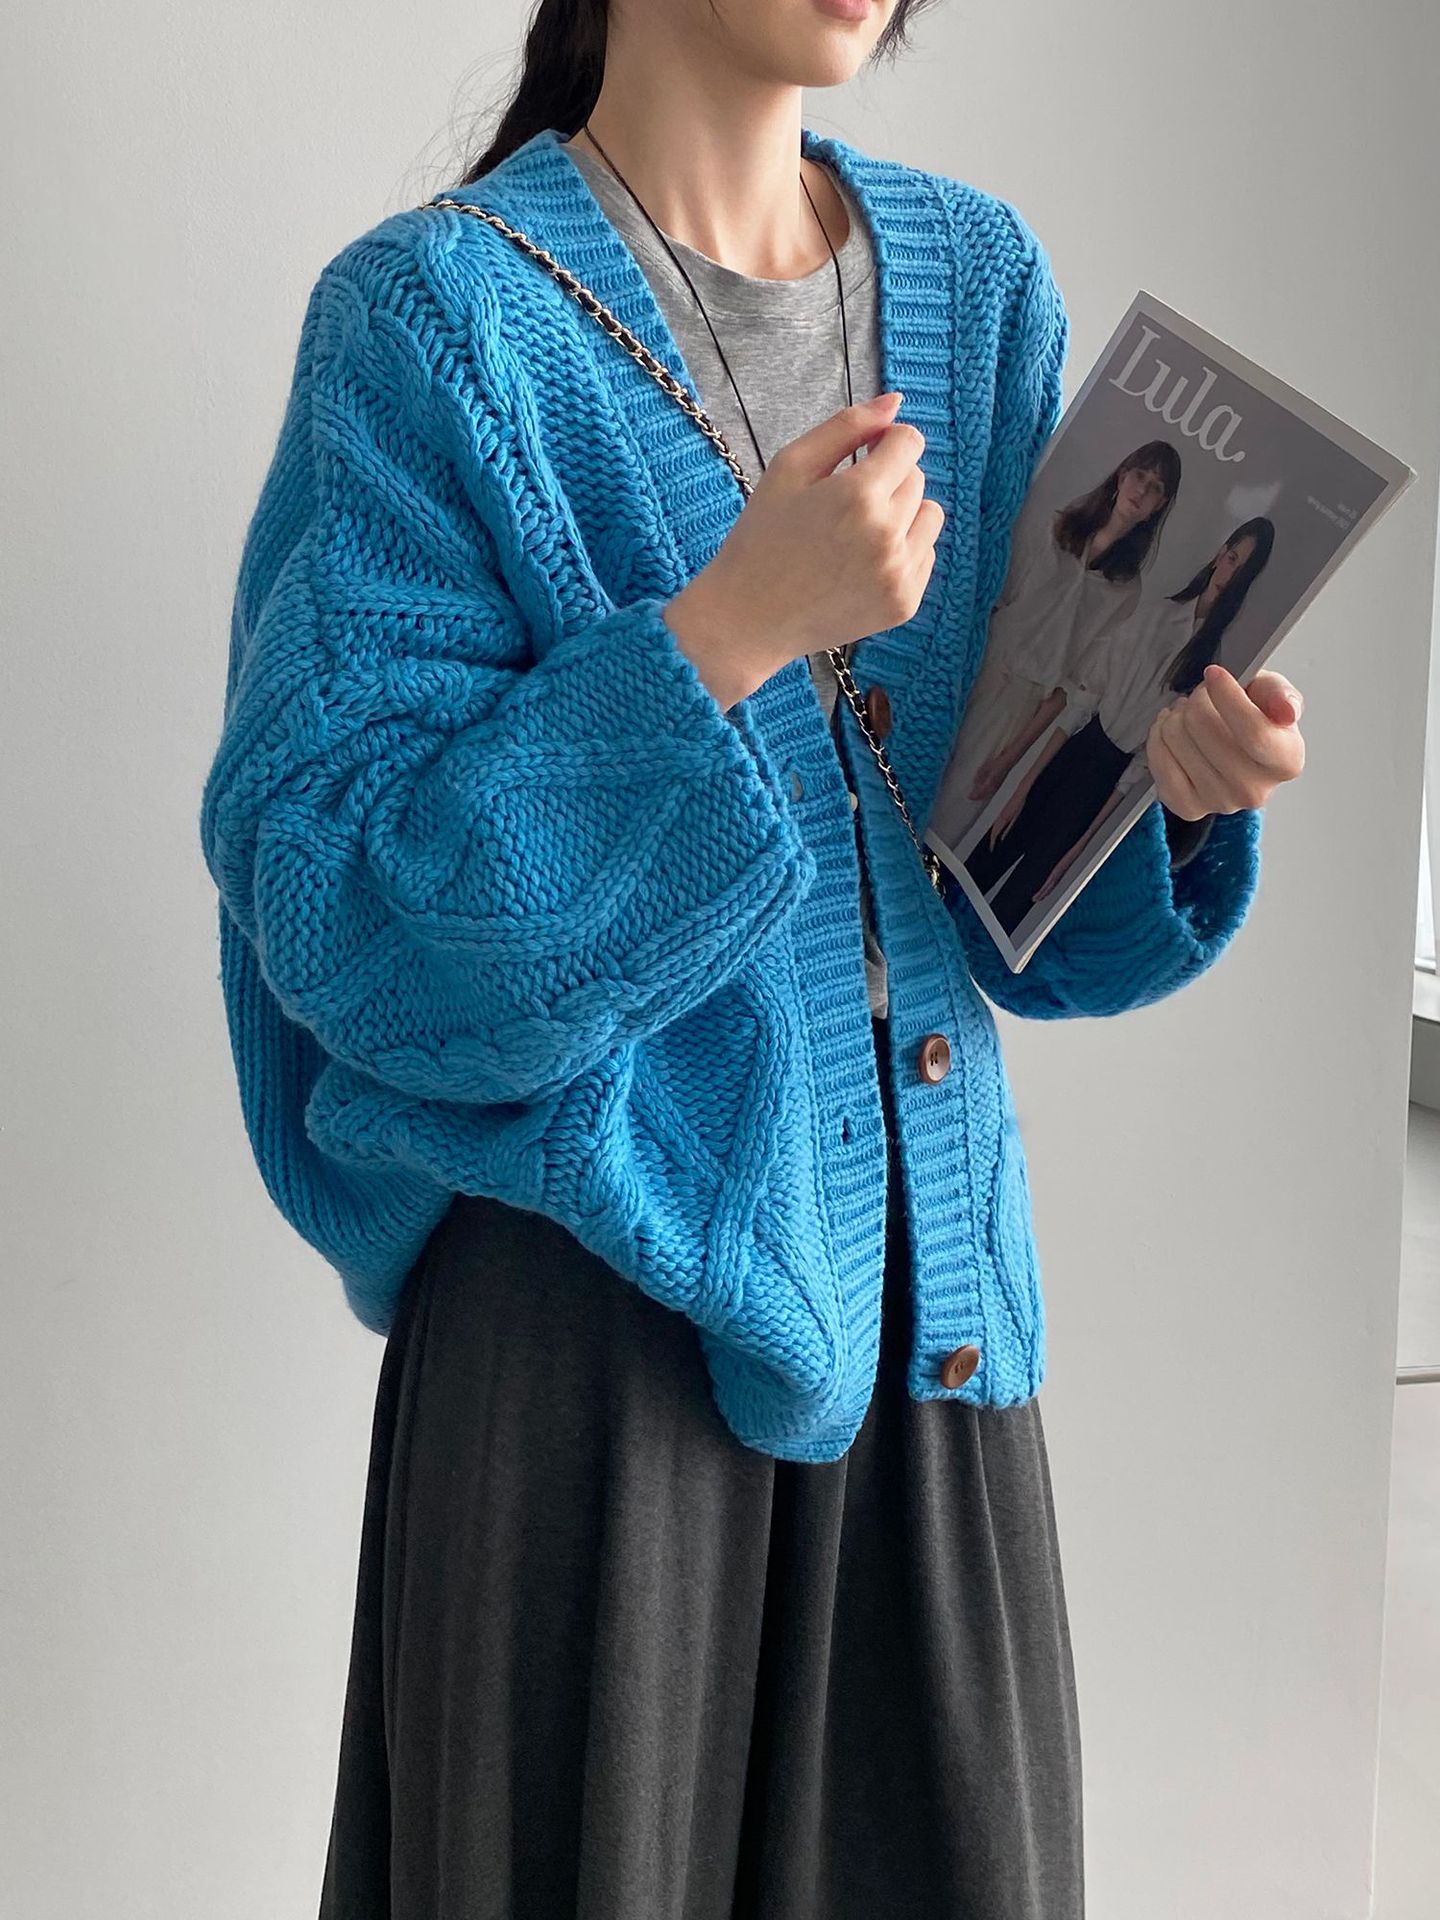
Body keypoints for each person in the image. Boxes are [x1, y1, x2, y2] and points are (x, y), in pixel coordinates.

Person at [197, 3, 1302, 1915]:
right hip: (593, 1346)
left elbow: (1003, 914)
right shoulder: (436, 322)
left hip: (934, 1329)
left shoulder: (977, 286)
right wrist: (719, 636)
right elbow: (343, 919)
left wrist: (1173, 799)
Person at [965, 519, 1277, 934]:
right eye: (1232, 558)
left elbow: (1139, 769)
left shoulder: (1210, 669)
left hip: (1104, 785)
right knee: (978, 866)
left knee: (1015, 906)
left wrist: (1078, 851)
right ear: (1221, 553)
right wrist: (1020, 789)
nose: (1230, 574)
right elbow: (1083, 700)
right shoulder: (1156, 615)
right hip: (1074, 752)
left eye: (1242, 571)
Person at [928, 440, 1181, 853]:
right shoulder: (1055, 529)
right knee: (912, 764)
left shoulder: (1125, 590)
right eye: (1140, 475)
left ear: (1160, 506)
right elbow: (994, 600)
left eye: (1156, 488)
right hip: (975, 665)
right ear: (1122, 476)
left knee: (947, 815)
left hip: (1020, 704)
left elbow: (1070, 685)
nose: (1142, 490)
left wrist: (1008, 759)